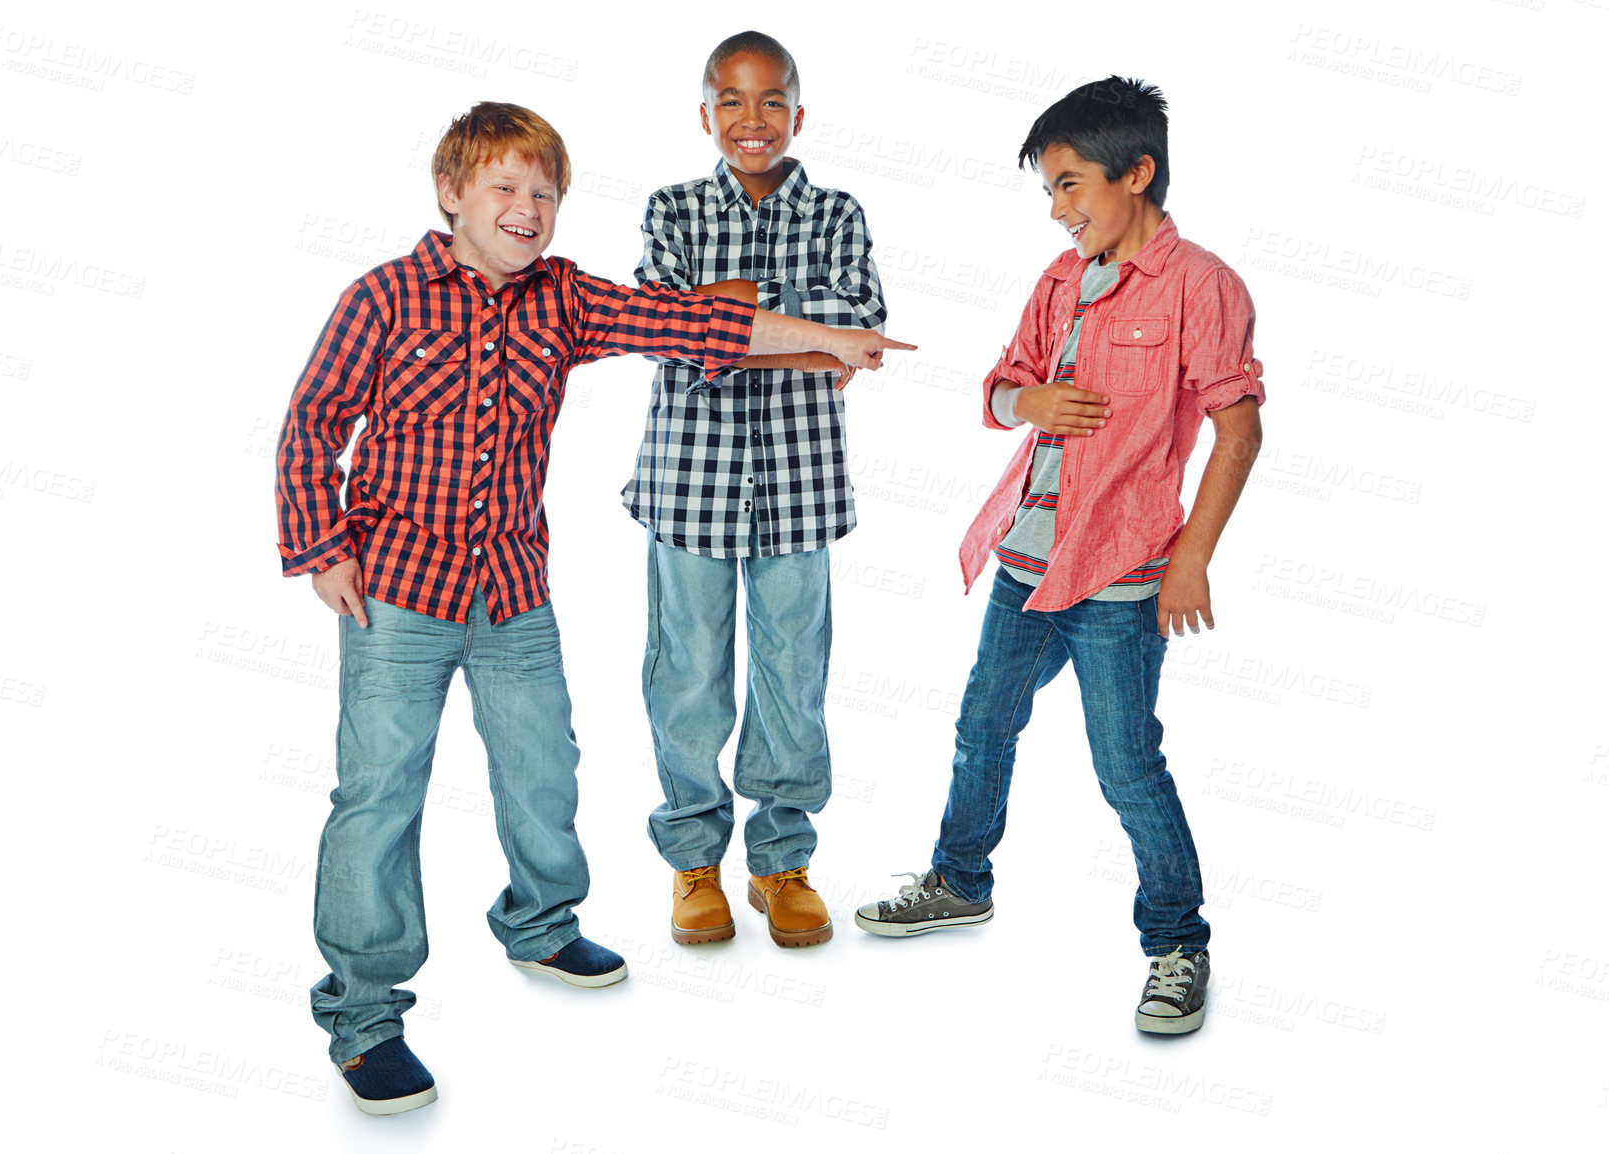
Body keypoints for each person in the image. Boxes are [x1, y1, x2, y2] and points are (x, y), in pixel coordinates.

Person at [276, 101, 912, 1114]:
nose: (527, 208)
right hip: (394, 591)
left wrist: (831, 338)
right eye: (505, 187)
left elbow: (693, 324)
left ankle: (539, 922)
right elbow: (312, 423)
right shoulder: (384, 298)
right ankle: (363, 1015)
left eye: (545, 193)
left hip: (512, 588)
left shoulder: (562, 300)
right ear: (450, 194)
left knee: (543, 765)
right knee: (379, 796)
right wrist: (319, 551)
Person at [852, 77, 1265, 1037]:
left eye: (1071, 184)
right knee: (981, 725)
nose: (1059, 209)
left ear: (1139, 172)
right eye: (1048, 190)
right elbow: (1002, 387)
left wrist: (1194, 556)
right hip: (1027, 561)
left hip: (1121, 574)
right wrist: (1024, 403)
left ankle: (1177, 945)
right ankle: (960, 881)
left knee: (1127, 767)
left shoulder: (1202, 285)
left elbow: (1237, 430)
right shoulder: (1057, 280)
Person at [626, 31, 888, 950]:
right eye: (731, 101)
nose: (752, 118)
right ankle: (694, 861)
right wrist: (800, 331)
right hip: (686, 489)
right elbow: (661, 329)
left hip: (800, 491)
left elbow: (862, 325)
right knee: (687, 678)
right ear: (706, 115)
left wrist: (731, 308)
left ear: (798, 113)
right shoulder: (673, 209)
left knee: (792, 679)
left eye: (771, 100)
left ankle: (781, 862)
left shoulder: (840, 214)